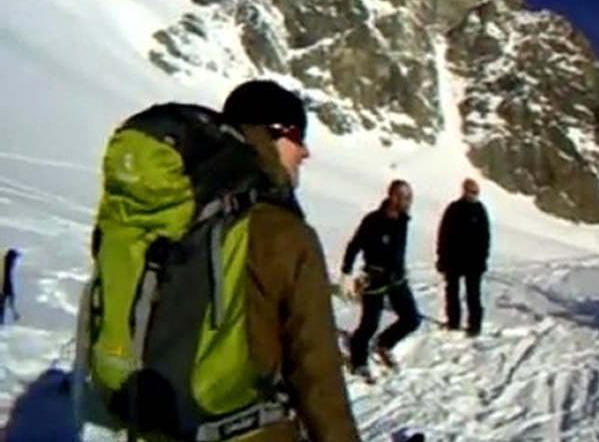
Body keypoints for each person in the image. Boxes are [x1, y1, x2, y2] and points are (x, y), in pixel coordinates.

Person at [77, 80, 361, 442]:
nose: (304, 153)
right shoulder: (282, 232)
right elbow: (318, 374)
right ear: (270, 136)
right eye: (297, 135)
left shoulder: (157, 216)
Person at [339, 180, 421, 378]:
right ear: (393, 197)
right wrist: (346, 273)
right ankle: (358, 359)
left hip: (397, 279)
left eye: (409, 197)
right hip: (374, 279)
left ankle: (384, 343)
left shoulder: (403, 220)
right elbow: (354, 245)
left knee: (411, 319)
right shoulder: (373, 221)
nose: (408, 202)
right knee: (369, 324)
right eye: (404, 197)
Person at [436, 178, 491, 336]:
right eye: (471, 191)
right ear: (464, 191)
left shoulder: (480, 210)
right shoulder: (454, 209)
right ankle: (453, 321)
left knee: (473, 294)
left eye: (476, 192)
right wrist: (441, 257)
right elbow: (444, 234)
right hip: (453, 260)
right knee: (452, 292)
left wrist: (483, 258)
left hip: (474, 262)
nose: (474, 195)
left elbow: (485, 238)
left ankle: (475, 325)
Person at [0, 248, 20, 324]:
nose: (15, 263)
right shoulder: (6, 266)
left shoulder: (6, 265)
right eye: (14, 260)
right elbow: (7, 280)